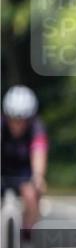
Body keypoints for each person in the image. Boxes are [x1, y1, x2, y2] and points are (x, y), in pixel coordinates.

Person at [1, 85, 47, 234]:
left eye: (22, 121)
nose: (17, 125)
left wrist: (38, 177)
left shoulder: (36, 127)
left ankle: (28, 235)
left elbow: (39, 151)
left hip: (24, 173)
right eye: (13, 120)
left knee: (32, 193)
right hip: (3, 171)